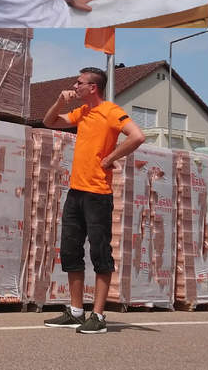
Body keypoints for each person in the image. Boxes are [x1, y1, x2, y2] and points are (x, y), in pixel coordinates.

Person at [42, 67, 145, 334]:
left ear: (93, 88)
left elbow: (137, 136)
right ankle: (76, 312)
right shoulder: (83, 112)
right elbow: (49, 121)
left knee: (100, 253)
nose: (75, 86)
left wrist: (111, 158)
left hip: (98, 195)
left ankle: (98, 316)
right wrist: (60, 102)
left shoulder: (111, 111)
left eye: (80, 83)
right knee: (70, 251)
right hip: (75, 192)